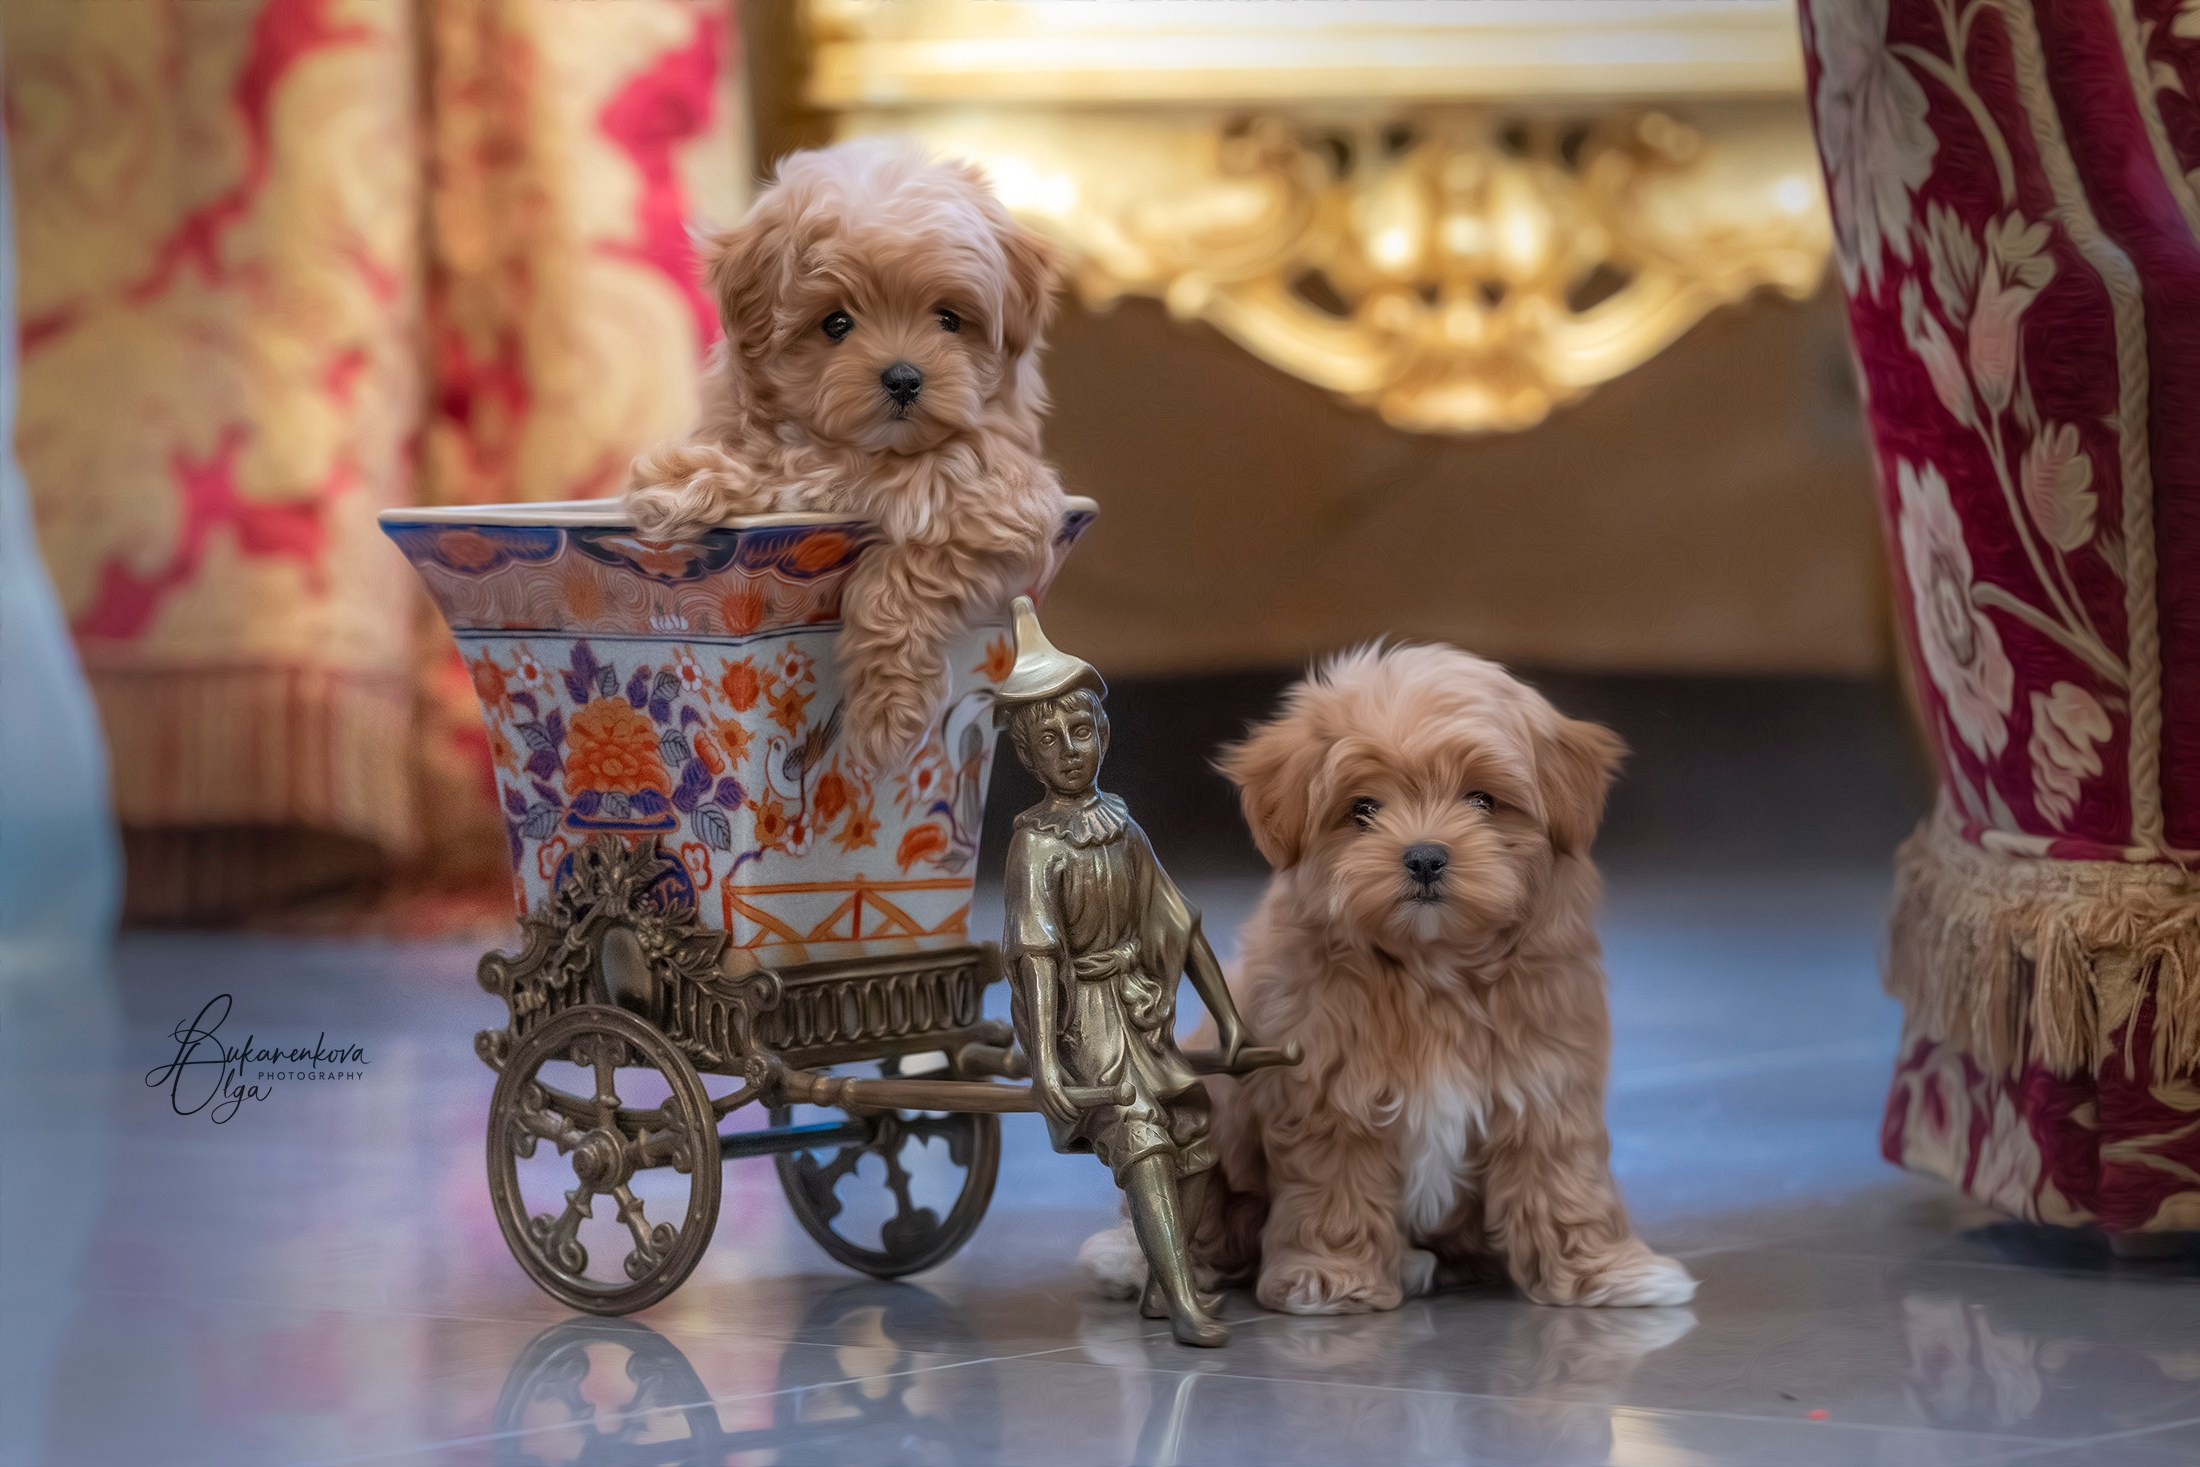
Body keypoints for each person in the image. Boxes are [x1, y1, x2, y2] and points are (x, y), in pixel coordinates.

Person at [994, 596, 1256, 1347]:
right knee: (1142, 1133)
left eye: (1082, 731)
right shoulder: (1036, 847)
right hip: (1081, 1023)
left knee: (1197, 1129)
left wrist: (1231, 1018)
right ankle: (1183, 1299)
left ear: (1102, 734)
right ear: (1027, 756)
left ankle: (1160, 1275)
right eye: (1052, 739)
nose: (1071, 748)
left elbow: (1178, 924)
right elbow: (1036, 958)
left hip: (1136, 1012)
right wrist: (1046, 1061)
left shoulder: (1124, 828)